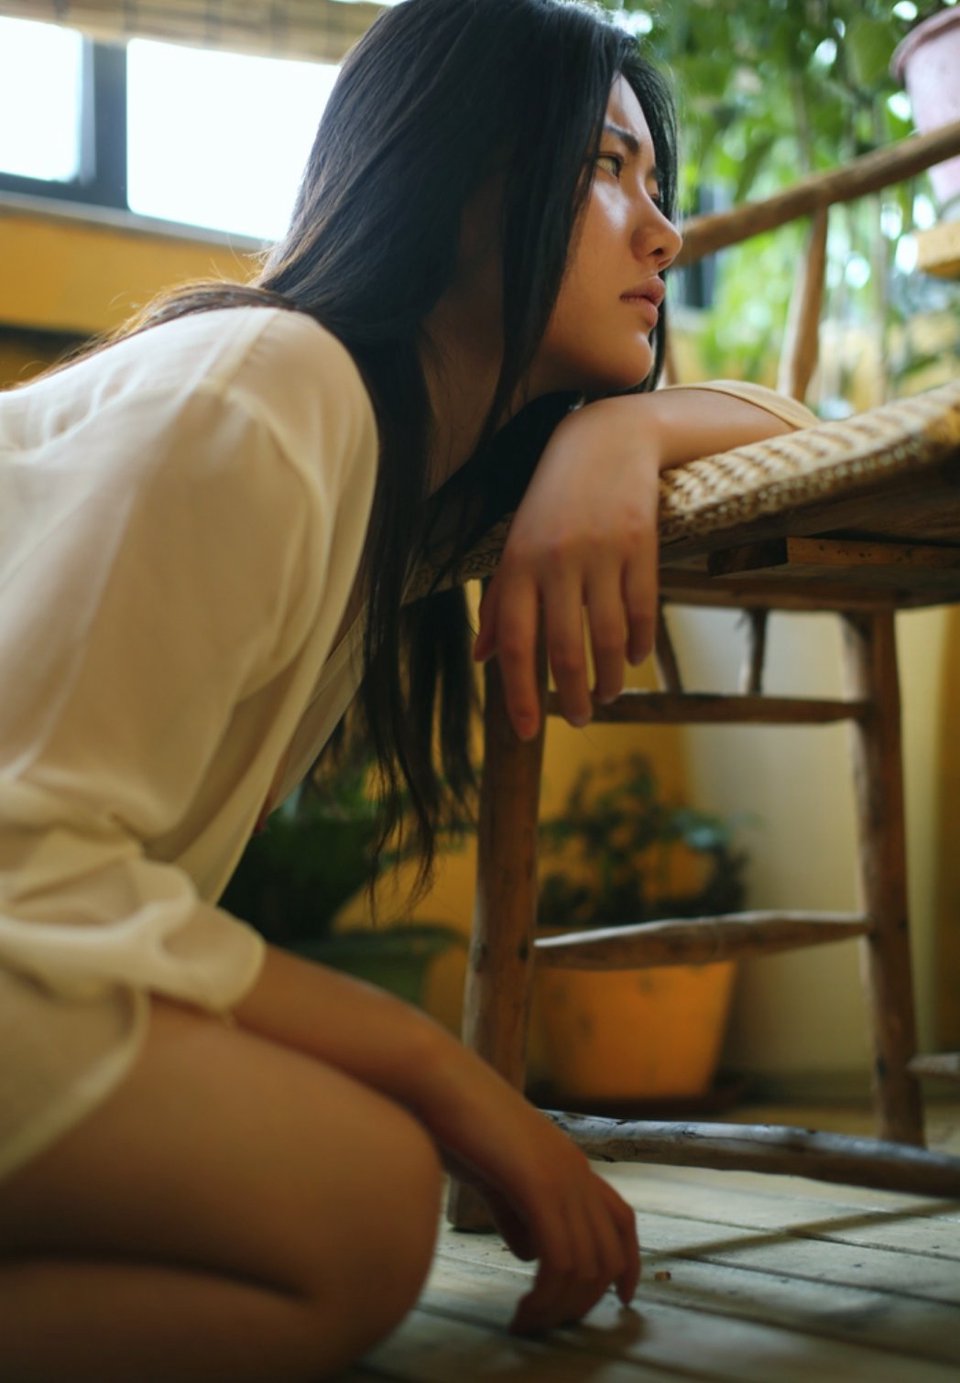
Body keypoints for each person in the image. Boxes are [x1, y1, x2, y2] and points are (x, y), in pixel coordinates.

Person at [0, 0, 814, 1377]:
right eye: (605, 168)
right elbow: (26, 865)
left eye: (658, 185)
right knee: (364, 1203)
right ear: (453, 170)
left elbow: (812, 433)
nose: (665, 233)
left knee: (356, 1200)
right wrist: (446, 1071)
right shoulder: (270, 386)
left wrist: (619, 437)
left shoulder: (406, 489)